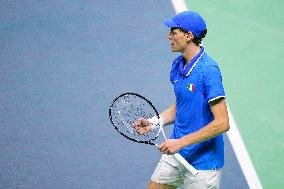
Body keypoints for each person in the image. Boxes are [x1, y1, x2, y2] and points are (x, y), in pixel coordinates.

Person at [134, 11, 230, 189]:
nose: (168, 36)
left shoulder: (208, 71)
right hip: (176, 153)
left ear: (189, 35)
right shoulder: (178, 65)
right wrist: (154, 122)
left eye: (173, 32)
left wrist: (180, 142)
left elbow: (222, 123)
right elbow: (183, 104)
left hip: (203, 165)